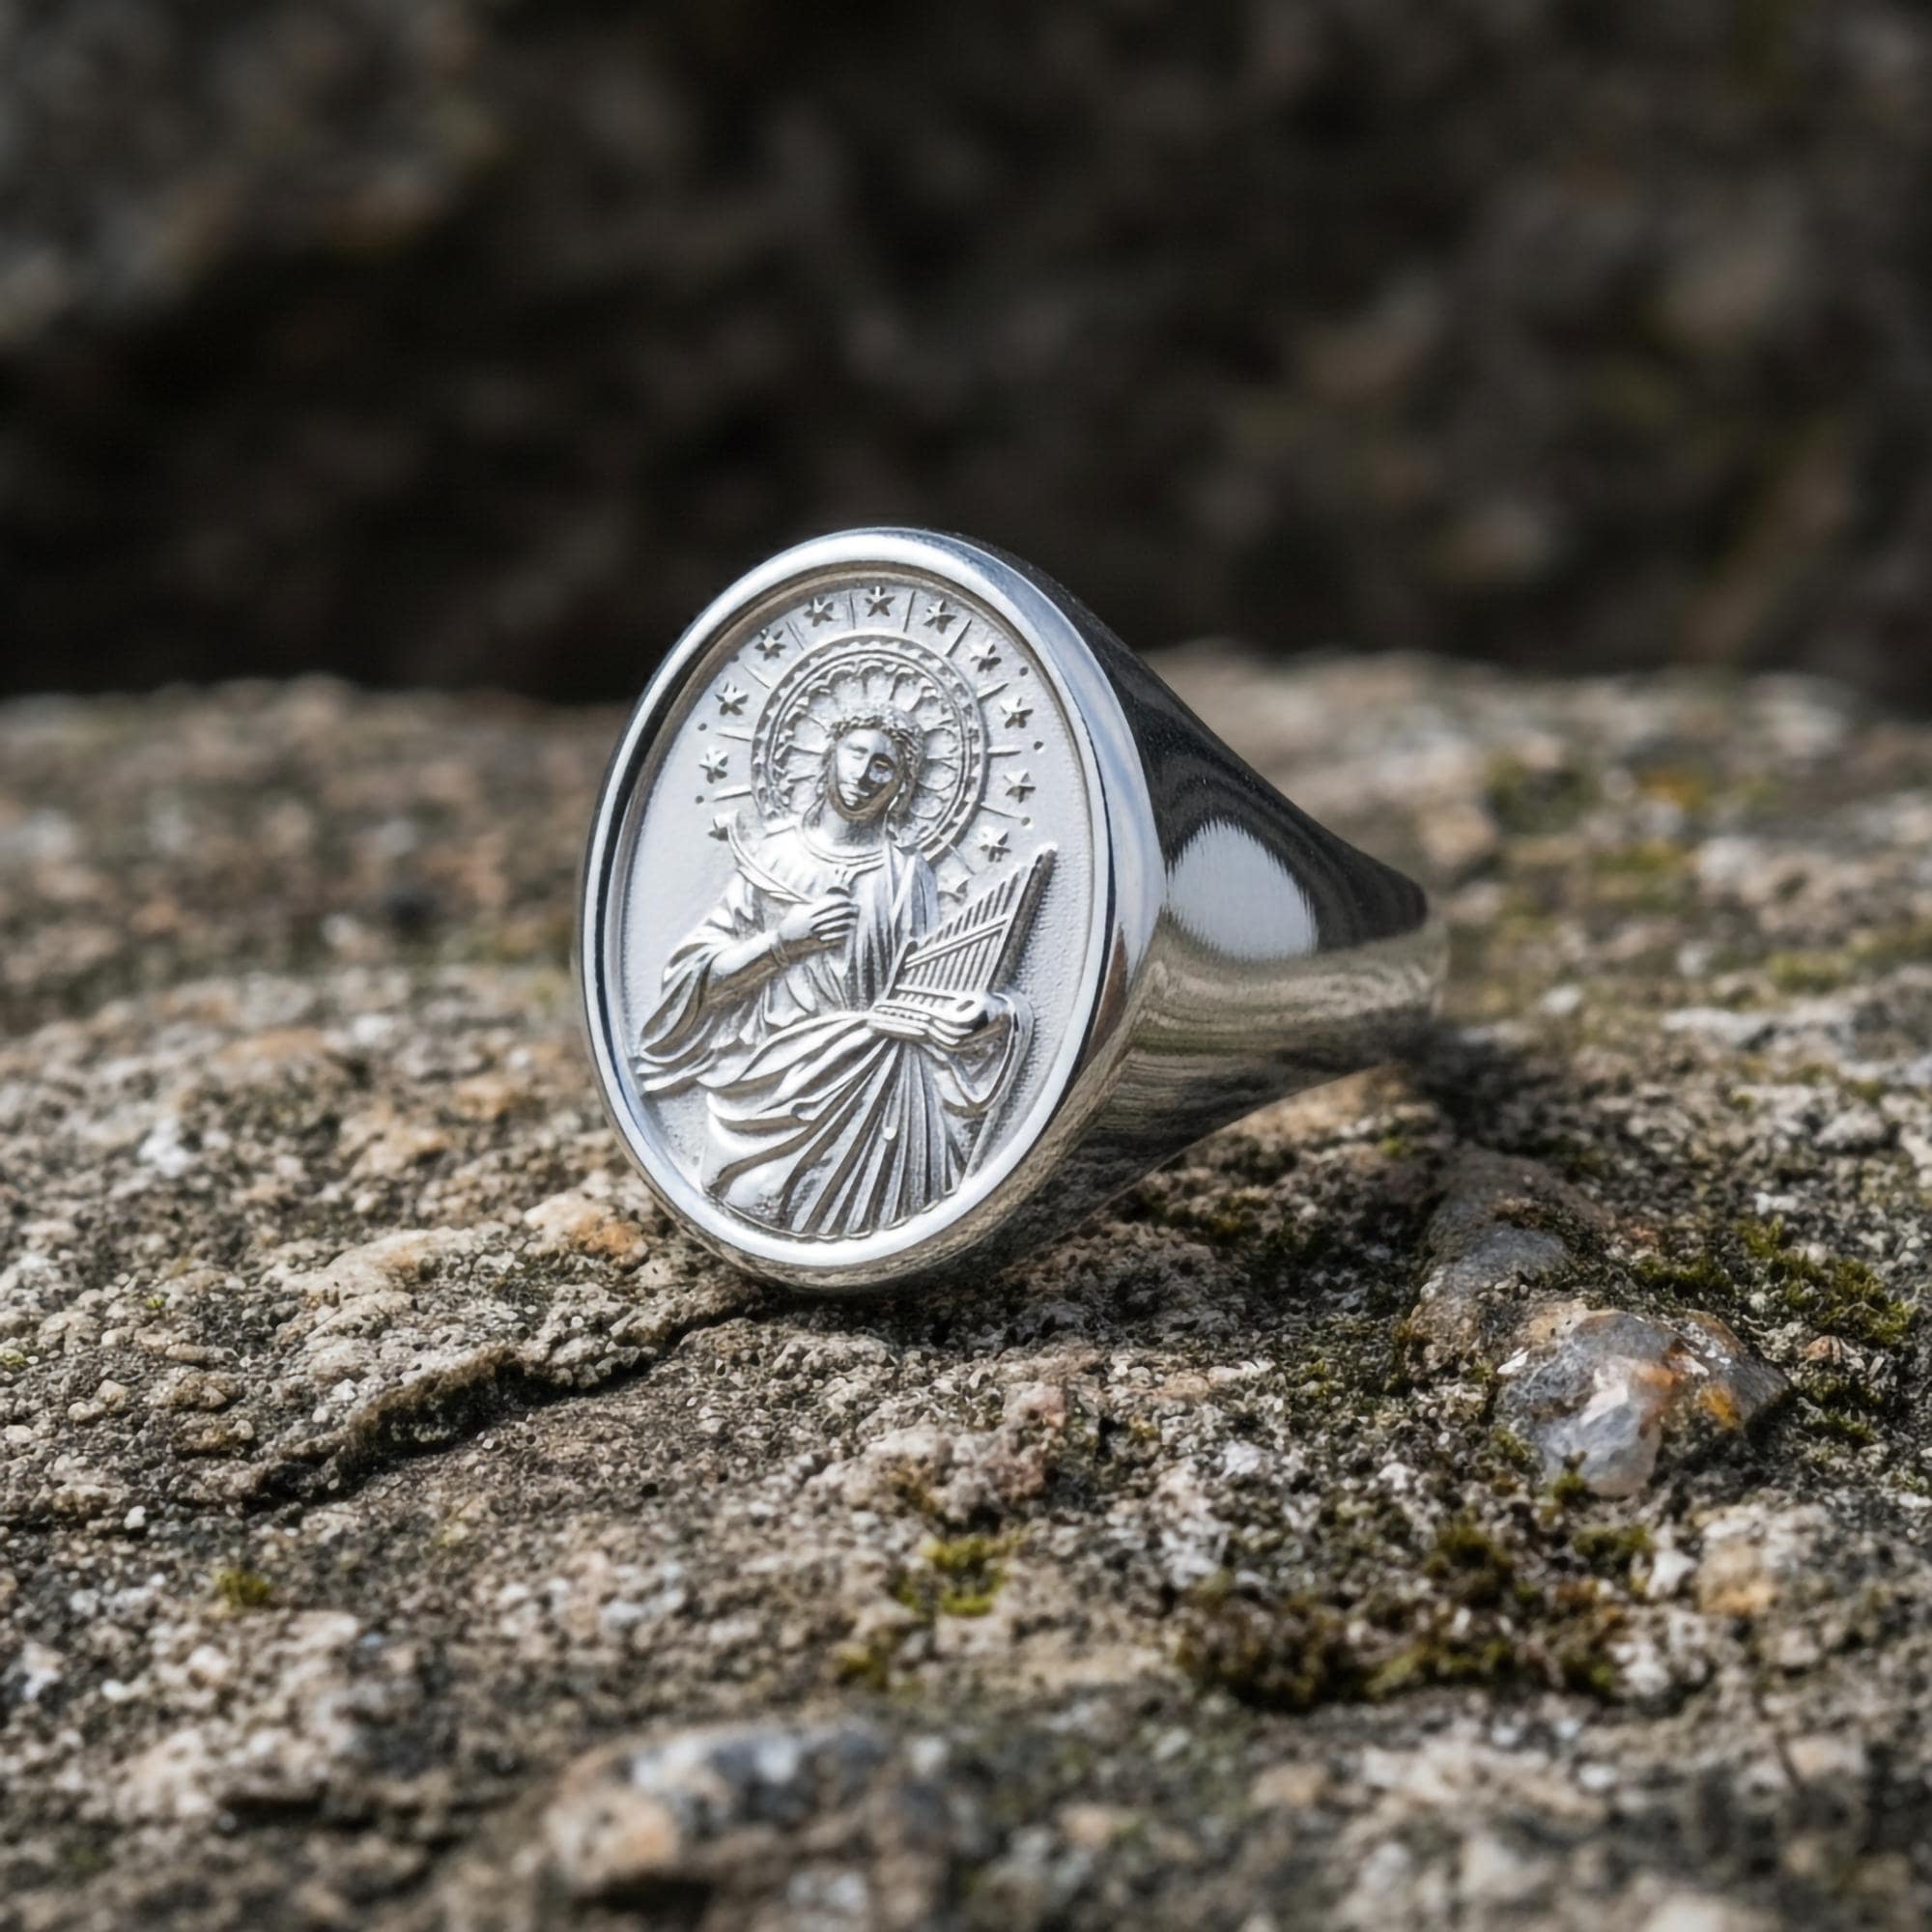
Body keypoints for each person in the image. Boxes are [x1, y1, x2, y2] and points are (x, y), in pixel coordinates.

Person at [636, 707, 1029, 1237]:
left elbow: (922, 988)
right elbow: (692, 977)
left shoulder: (905, 875)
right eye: (856, 753)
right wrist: (783, 943)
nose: (864, 774)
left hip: (880, 1093)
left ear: (903, 788)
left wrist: (989, 1015)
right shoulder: (770, 859)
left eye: (884, 766)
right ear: (829, 754)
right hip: (768, 1085)